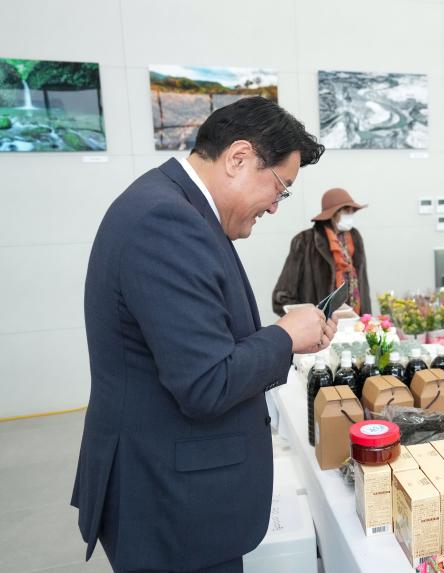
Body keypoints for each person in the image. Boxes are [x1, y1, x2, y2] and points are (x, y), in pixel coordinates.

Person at [72, 97, 335, 573]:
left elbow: (203, 343)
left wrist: (287, 338)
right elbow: (206, 382)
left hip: (171, 492)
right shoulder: (165, 222)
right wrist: (284, 337)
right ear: (238, 158)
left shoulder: (177, 208)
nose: (275, 207)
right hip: (169, 504)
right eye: (280, 187)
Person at [272, 187, 370, 316]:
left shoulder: (355, 237)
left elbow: (363, 285)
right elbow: (282, 296)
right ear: (333, 214)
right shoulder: (305, 241)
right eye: (346, 210)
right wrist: (308, 319)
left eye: (352, 211)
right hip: (321, 324)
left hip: (354, 321)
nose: (350, 214)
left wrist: (367, 320)